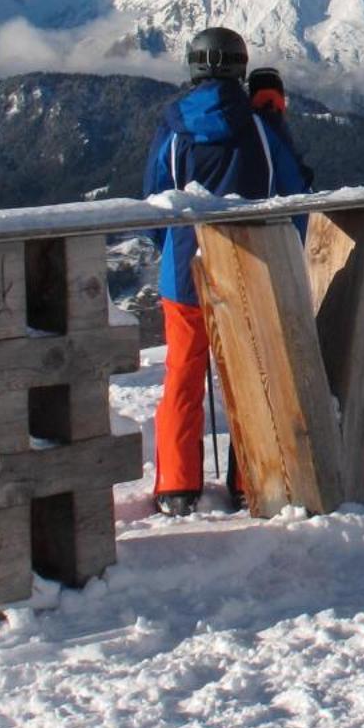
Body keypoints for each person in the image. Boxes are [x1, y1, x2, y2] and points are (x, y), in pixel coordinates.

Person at [144, 27, 310, 515]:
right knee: (253, 372)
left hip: (183, 270)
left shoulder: (173, 128)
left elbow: (156, 198)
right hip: (250, 269)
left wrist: (172, 248)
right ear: (241, 66)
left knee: (182, 375)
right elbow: (293, 192)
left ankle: (176, 486)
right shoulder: (260, 126)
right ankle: (251, 478)